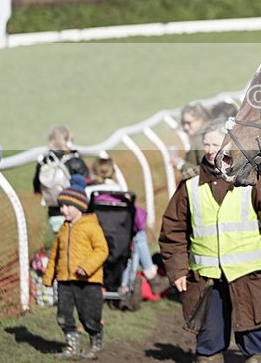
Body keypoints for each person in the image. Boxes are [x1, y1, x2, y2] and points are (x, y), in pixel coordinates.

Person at [159, 118, 261, 363]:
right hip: (205, 280)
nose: (211, 150)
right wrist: (178, 270)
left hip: (250, 278)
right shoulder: (189, 185)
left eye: (216, 143)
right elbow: (172, 231)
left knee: (255, 347)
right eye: (207, 144)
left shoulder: (254, 180)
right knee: (208, 347)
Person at [87, 153, 170, 297]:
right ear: (112, 172)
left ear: (94, 171)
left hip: (93, 237)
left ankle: (147, 276)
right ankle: (148, 276)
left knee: (136, 236)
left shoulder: (89, 192)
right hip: (119, 241)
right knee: (138, 235)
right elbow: (138, 220)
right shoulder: (121, 193)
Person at [43, 185, 109, 360]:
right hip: (64, 280)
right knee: (63, 315)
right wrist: (49, 277)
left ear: (80, 206)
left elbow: (102, 250)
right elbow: (54, 256)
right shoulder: (63, 230)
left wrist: (87, 267)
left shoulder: (91, 226)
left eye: (66, 206)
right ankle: (72, 347)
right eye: (61, 206)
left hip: (88, 281)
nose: (63, 210)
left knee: (89, 316)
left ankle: (95, 340)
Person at [33, 125, 90, 235]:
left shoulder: (45, 161)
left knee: (60, 240)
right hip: (76, 211)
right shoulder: (75, 160)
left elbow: (37, 185)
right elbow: (86, 182)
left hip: (53, 211)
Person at [171, 102, 212, 180]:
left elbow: (205, 171)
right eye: (183, 123)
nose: (186, 127)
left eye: (189, 123)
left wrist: (180, 164)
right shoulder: (209, 134)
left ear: (201, 119)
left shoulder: (202, 140)